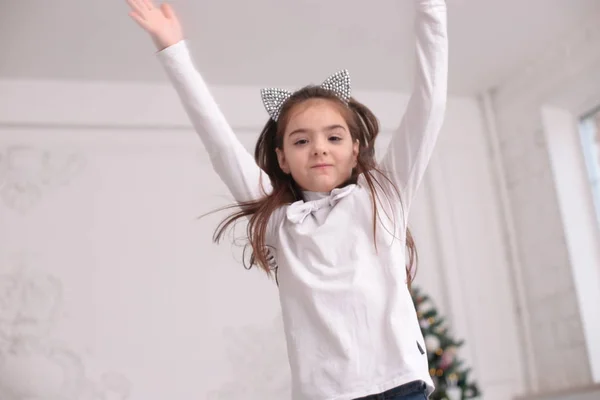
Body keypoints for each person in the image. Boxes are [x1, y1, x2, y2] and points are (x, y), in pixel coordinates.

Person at [126, 0, 448, 399]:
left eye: (334, 137)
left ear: (355, 149)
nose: (319, 149)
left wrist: (431, 9)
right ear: (282, 158)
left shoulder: (384, 195)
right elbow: (219, 142)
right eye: (301, 140)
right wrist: (173, 51)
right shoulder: (281, 221)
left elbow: (428, 104)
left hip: (401, 383)